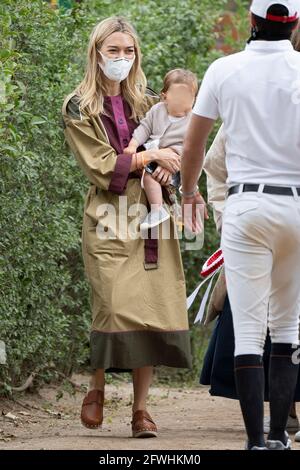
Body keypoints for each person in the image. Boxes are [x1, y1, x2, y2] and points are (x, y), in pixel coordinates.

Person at [62, 16, 192, 439]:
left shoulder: (150, 101)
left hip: (153, 212)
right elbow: (100, 165)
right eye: (113, 50)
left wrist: (169, 169)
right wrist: (149, 158)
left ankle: (141, 411)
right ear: (96, 52)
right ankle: (97, 382)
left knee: (152, 308)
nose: (121, 57)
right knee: (113, 302)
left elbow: (176, 149)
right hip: (107, 214)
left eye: (128, 50)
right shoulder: (78, 106)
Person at [181, 0, 300, 450]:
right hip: (297, 205)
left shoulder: (224, 68)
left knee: (249, 329)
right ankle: (280, 439)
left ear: (252, 21)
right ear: (295, 24)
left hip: (247, 204)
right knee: (289, 327)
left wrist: (189, 191)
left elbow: (196, 143)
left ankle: (255, 442)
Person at [200, 123, 300, 439]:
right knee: (269, 325)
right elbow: (215, 166)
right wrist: (228, 221)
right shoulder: (243, 108)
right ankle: (286, 414)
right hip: (258, 229)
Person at [124, 69, 198, 231]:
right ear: (165, 97)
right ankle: (164, 210)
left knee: (150, 178)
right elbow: (144, 128)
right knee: (149, 177)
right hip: (155, 155)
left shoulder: (193, 120)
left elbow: (195, 148)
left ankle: (158, 210)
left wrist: (175, 158)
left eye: (189, 98)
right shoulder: (157, 110)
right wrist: (133, 145)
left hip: (178, 162)